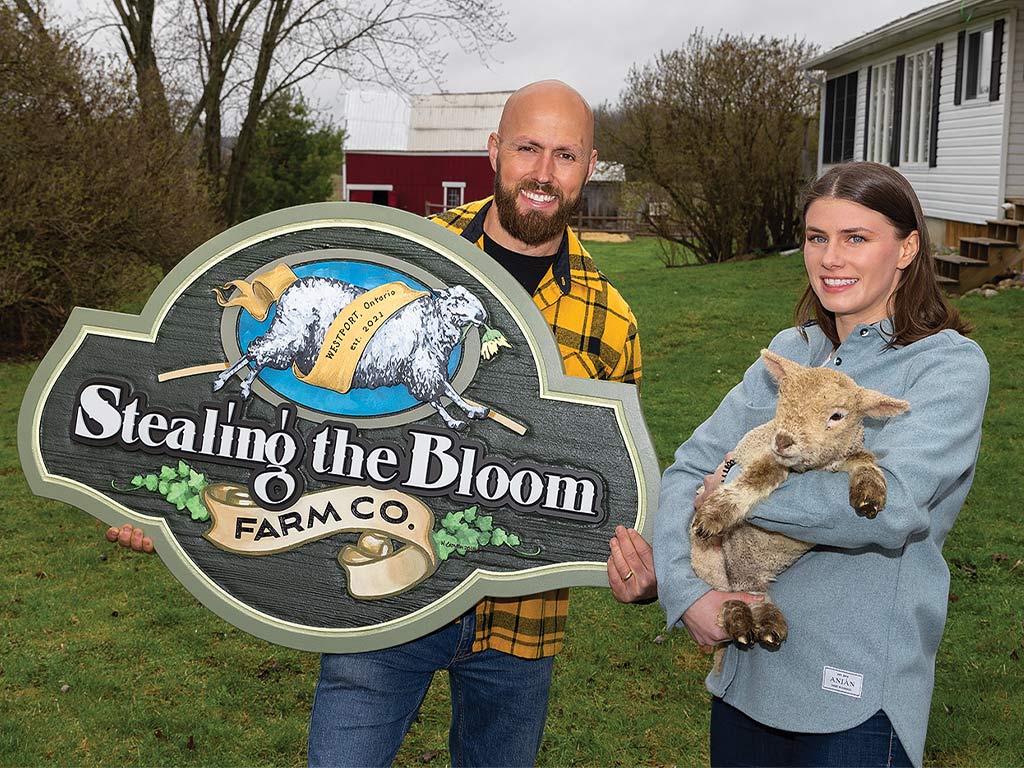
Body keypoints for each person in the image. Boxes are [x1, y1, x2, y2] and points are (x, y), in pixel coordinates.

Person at [108, 80, 658, 767]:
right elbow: (297, 430)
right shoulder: (404, 256)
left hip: (522, 625)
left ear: (590, 165)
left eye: (566, 155)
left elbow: (613, 479)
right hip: (380, 597)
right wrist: (162, 507)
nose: (544, 174)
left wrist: (645, 566)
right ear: (494, 151)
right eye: (527, 148)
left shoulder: (611, 320)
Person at [653, 161, 988, 768]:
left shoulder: (947, 368)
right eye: (816, 238)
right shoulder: (790, 353)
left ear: (908, 248)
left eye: (856, 239)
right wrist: (686, 592)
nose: (830, 258)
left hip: (854, 700)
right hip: (746, 677)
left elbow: (886, 509)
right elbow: (686, 470)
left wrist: (733, 486)